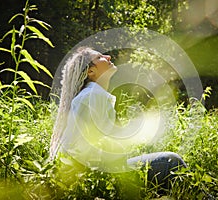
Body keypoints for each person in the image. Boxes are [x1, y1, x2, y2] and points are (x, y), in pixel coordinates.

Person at [50, 46, 187, 193]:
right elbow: (84, 150)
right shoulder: (93, 95)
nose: (108, 57)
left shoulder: (92, 95)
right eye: (99, 57)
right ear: (91, 71)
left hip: (96, 175)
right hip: (97, 178)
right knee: (171, 162)